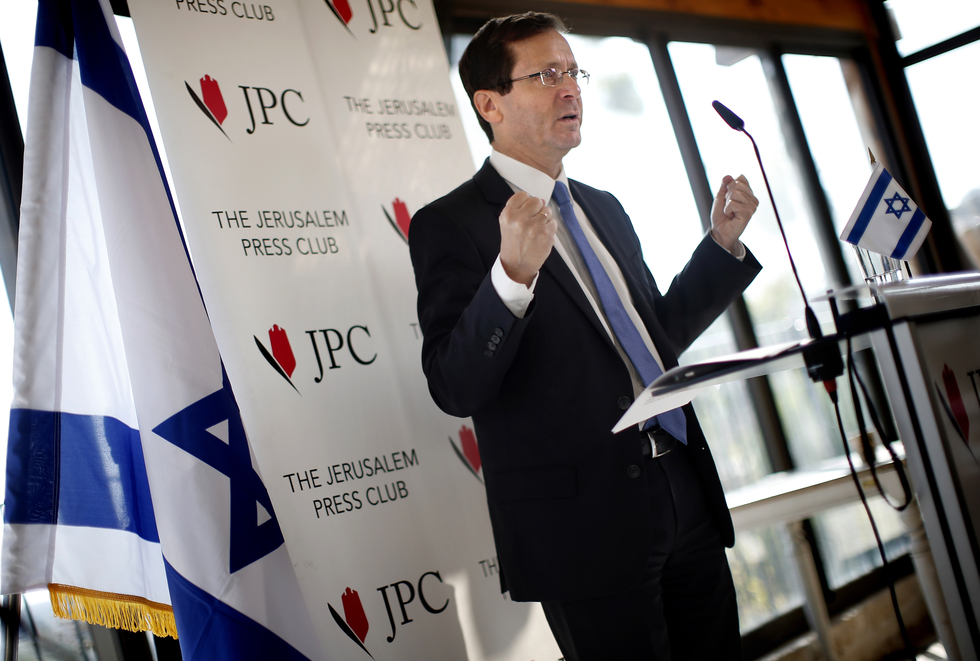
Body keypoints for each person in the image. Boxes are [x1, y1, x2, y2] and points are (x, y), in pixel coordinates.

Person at [410, 11, 761, 660]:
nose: (570, 87)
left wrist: (721, 246)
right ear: (490, 104)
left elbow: (655, 341)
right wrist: (511, 278)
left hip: (682, 486)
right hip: (582, 527)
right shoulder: (449, 224)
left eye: (574, 71)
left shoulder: (604, 206)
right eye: (547, 75)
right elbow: (454, 385)